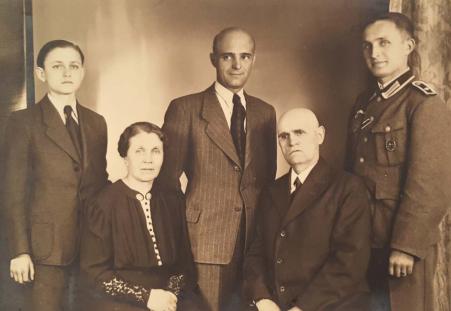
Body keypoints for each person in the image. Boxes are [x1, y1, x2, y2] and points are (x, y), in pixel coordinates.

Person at [160, 27, 277, 310]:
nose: (237, 65)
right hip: (204, 242)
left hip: (254, 243)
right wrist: (184, 234)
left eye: (245, 56)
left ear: (253, 60)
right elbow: (166, 182)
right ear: (213, 59)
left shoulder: (265, 112)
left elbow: (267, 178)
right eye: (228, 56)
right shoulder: (185, 109)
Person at [346, 12, 451, 311]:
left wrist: (406, 246)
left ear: (408, 46)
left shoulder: (424, 105)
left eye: (384, 43)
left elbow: (431, 186)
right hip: (364, 243)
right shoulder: (363, 105)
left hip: (402, 249)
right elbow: (350, 176)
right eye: (367, 46)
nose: (374, 53)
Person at [2, 39, 108, 311]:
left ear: (83, 72)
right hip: (43, 251)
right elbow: (13, 193)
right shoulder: (23, 122)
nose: (67, 73)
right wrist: (20, 251)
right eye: (57, 66)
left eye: (74, 66)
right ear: (41, 73)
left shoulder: (96, 122)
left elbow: (99, 184)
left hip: (90, 248)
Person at [244, 108, 371, 311]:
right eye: (284, 136)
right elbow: (255, 254)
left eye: (299, 132)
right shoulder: (271, 191)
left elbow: (349, 263)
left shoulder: (348, 188)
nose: (292, 141)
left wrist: (302, 308)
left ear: (319, 135)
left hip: (330, 305)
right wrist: (262, 298)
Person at [80, 122, 201, 311]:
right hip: (120, 300)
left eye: (155, 151)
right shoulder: (103, 204)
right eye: (139, 151)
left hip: (170, 296)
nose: (148, 160)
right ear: (125, 157)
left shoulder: (173, 200)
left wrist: (170, 294)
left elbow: (183, 264)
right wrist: (146, 297)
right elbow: (94, 273)